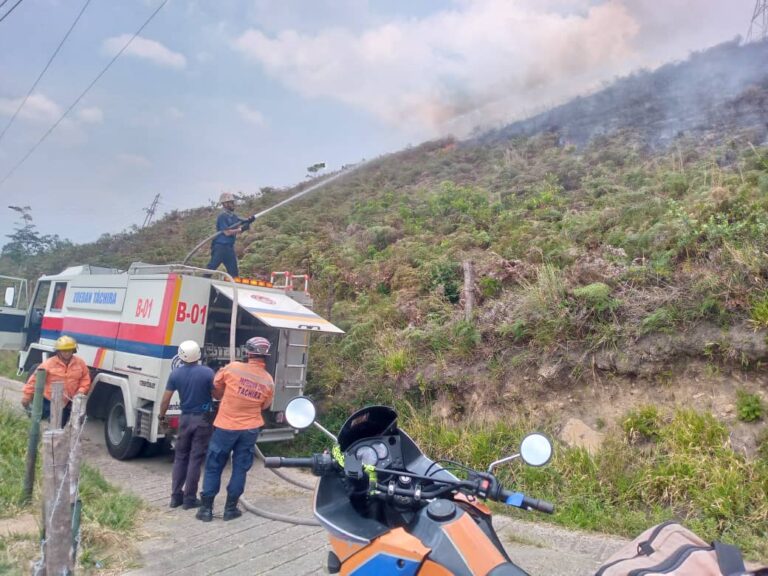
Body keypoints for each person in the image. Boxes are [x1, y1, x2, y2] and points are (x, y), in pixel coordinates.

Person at [196, 336, 274, 522]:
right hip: (250, 429)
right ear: (266, 356)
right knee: (240, 468)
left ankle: (206, 510)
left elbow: (216, 387)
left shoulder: (232, 368)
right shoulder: (268, 380)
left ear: (247, 352)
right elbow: (264, 406)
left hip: (225, 427)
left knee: (214, 466)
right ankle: (230, 509)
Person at [158, 340, 215, 510]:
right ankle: (190, 499)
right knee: (195, 459)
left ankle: (175, 497)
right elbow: (217, 392)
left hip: (185, 419)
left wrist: (162, 417)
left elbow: (166, 399)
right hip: (203, 419)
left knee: (180, 457)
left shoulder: (175, 374)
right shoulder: (207, 373)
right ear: (199, 355)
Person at [21, 335, 91, 426]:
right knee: (36, 421)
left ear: (73, 351)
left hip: (65, 402)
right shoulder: (49, 364)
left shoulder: (80, 363)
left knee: (58, 428)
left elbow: (85, 379)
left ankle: (54, 438)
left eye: (69, 350)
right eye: (64, 351)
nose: (67, 353)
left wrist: (81, 391)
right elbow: (34, 380)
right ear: (59, 351)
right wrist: (27, 396)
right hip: (48, 400)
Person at [206, 192, 254, 278]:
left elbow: (244, 220)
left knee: (234, 274)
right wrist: (241, 229)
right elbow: (227, 232)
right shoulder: (222, 216)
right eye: (231, 202)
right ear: (225, 204)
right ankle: (202, 282)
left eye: (233, 202)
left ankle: (234, 289)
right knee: (211, 268)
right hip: (220, 247)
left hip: (229, 248)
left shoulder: (234, 216)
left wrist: (250, 220)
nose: (233, 204)